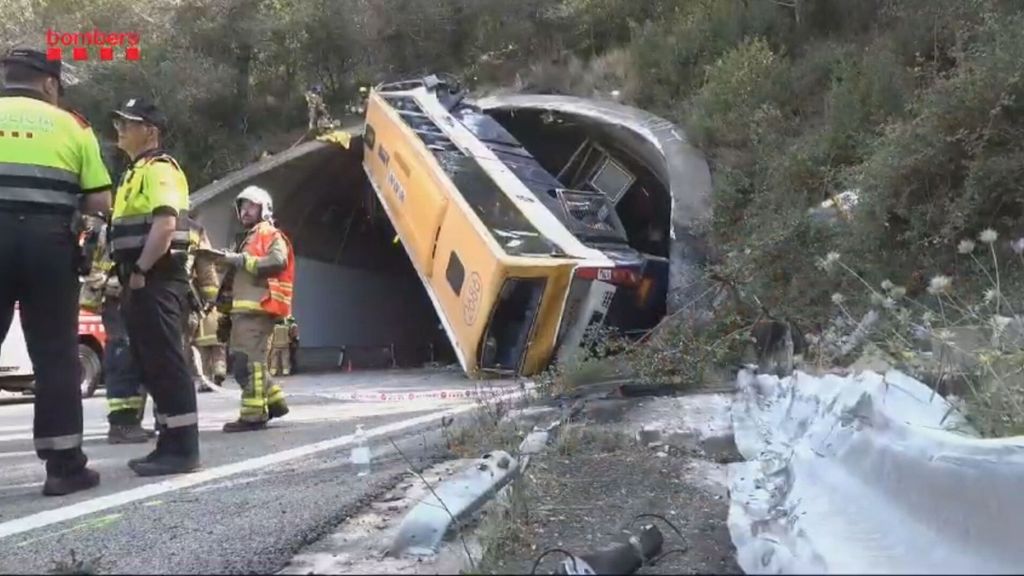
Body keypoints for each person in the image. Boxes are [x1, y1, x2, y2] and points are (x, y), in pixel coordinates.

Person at [0, 48, 112, 496]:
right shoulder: (73, 125)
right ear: (49, 84)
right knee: (55, 356)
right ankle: (64, 467)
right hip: (49, 247)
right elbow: (100, 201)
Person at [108, 96, 200, 476]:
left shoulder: (160, 169)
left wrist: (142, 269)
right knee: (151, 364)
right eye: (120, 123)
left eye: (128, 124)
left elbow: (164, 225)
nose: (121, 130)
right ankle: (168, 443)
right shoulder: (135, 171)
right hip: (140, 278)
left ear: (150, 131)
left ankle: (183, 449)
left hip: (156, 278)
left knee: (166, 362)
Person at [215, 185, 293, 432]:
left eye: (251, 206)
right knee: (247, 361)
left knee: (248, 364)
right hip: (244, 313)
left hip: (258, 309)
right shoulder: (247, 239)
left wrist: (241, 260)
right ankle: (275, 403)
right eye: (242, 206)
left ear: (264, 208)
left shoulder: (269, 233)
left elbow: (278, 261)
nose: (245, 211)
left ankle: (253, 415)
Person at [79, 214, 156, 444]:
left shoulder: (120, 223)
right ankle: (121, 422)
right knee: (122, 353)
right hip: (116, 296)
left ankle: (131, 420)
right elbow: (97, 267)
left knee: (132, 355)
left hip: (127, 295)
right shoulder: (113, 227)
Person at [182, 213, 222, 392]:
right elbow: (207, 271)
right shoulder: (195, 230)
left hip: (148, 295)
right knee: (184, 346)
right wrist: (209, 301)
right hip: (183, 298)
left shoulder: (144, 220)